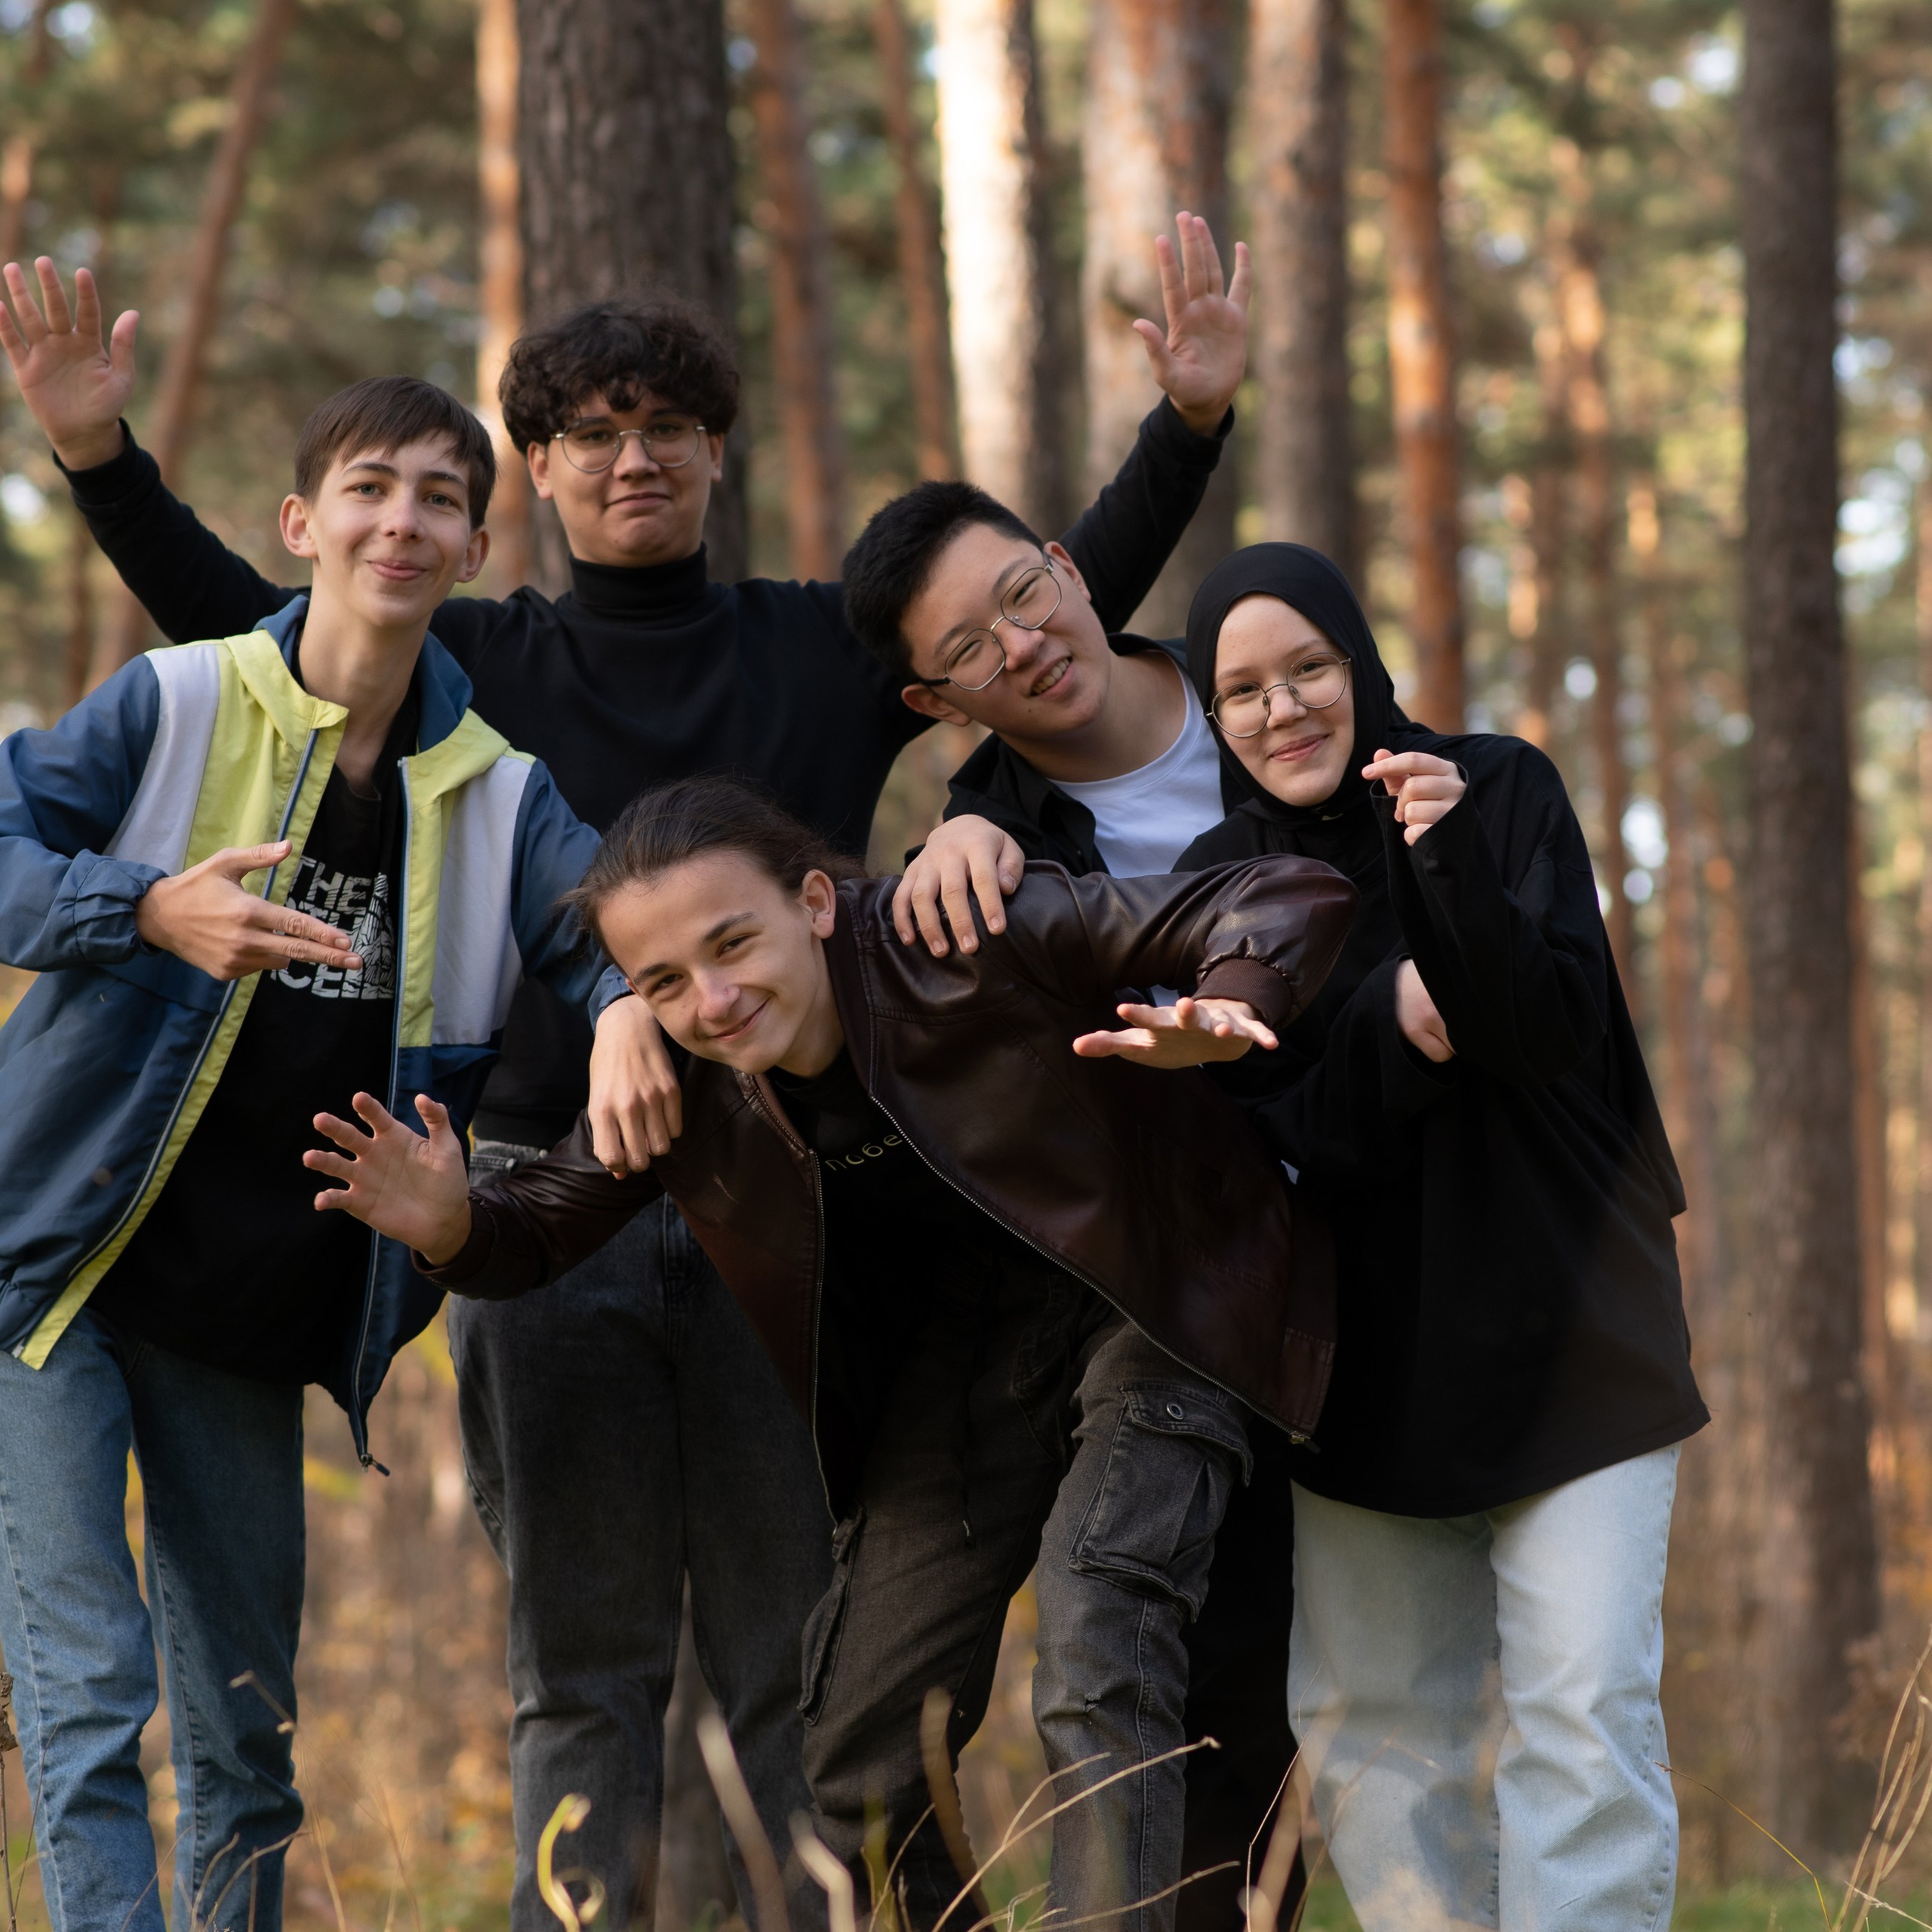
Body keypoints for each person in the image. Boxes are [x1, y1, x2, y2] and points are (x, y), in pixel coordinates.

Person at [0, 216, 1247, 1929]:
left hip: (772, 1206)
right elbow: (259, 619)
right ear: (538, 472)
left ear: (716, 454)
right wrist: (97, 457)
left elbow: (1036, 618)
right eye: (589, 431)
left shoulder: (816, 641)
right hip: (543, 1203)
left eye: (665, 426)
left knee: (786, 1659)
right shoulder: (481, 667)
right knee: (577, 1669)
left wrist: (1183, 427)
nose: (632, 455)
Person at [302, 774, 1357, 1932]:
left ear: (813, 900)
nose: (712, 998)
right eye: (662, 981)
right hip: (968, 1356)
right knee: (861, 1747)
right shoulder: (696, 1080)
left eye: (731, 942)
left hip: (1149, 1288)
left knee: (1100, 1624)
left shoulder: (951, 936)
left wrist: (1228, 997)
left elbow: (1279, 891)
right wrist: (451, 1223)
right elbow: (543, 1220)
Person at [0, 376, 647, 1932]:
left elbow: (614, 923)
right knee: (89, 1686)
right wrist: (142, 907)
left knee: (245, 1722)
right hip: (52, 1274)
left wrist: (628, 1008)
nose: (401, 519)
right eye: (369, 487)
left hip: (247, 1306)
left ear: (475, 546)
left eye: (438, 495)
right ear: (303, 524)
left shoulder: (501, 793)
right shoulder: (180, 699)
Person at [1172, 543, 1708, 1932]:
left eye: (1309, 668)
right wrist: (1394, 1014)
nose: (1284, 708)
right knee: (1375, 1744)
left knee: (1582, 1712)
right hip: (1359, 1374)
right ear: (1213, 720)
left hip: (1576, 1330)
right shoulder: (1220, 885)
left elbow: (1542, 1025)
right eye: (1242, 690)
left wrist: (1448, 873)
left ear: (1361, 665)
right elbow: (1294, 1131)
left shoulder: (1496, 787)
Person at [838, 478, 1306, 1926]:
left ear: (1063, 567)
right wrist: (950, 841)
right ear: (938, 697)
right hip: (1141, 1285)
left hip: (1331, 1258)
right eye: (970, 652)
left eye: (1024, 596)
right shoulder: (987, 842)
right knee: (1125, 1674)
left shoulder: (1269, 697)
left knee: (1272, 1710)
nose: (1022, 645)